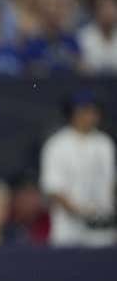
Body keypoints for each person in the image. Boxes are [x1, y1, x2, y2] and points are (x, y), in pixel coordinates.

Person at [40, 91, 116, 247]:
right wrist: (81, 213)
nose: (90, 116)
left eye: (93, 111)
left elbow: (111, 183)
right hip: (68, 229)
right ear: (72, 113)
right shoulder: (57, 144)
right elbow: (53, 188)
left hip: (102, 228)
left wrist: (104, 214)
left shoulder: (105, 143)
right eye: (84, 111)